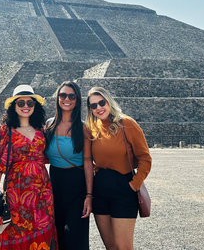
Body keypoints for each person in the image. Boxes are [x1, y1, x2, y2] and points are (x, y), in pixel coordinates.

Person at [0, 85, 58, 249]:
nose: (26, 106)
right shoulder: (6, 131)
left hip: (43, 192)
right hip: (16, 194)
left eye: (30, 103)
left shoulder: (42, 130)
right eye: (21, 103)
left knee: (42, 231)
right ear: (14, 106)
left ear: (35, 106)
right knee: (15, 233)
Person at [85, 87, 152, 250]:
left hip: (123, 190)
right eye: (93, 106)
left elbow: (145, 158)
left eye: (102, 103)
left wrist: (134, 185)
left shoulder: (127, 124)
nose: (98, 108)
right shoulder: (92, 129)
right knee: (111, 246)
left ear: (109, 102)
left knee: (124, 247)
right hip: (100, 191)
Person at [44, 81, 93, 250]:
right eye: (63, 95)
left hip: (76, 183)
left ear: (77, 100)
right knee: (56, 233)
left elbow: (88, 163)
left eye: (72, 96)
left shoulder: (83, 128)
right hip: (54, 182)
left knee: (76, 237)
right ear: (57, 98)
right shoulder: (49, 125)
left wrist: (89, 195)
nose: (67, 99)